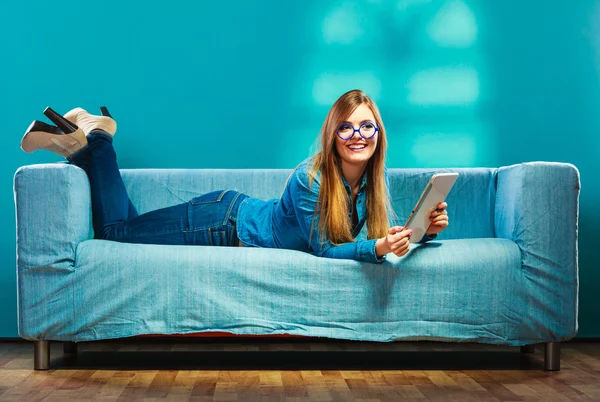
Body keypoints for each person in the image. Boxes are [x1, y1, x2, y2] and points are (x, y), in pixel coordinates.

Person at [20, 89, 449, 263]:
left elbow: (368, 239)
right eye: (347, 127)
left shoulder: (374, 180)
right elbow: (324, 250)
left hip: (230, 217)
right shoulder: (310, 179)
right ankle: (99, 140)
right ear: (333, 134)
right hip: (222, 224)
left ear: (379, 134)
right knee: (114, 233)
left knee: (125, 228)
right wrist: (376, 247)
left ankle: (79, 152)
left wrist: (421, 232)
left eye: (367, 126)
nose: (358, 135)